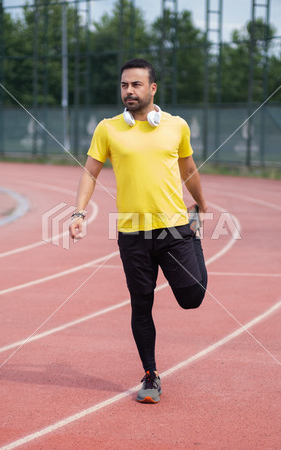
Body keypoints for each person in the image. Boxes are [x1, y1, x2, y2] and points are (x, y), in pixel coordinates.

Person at [69, 58, 208, 404]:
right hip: (132, 234)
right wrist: (79, 212)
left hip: (174, 228)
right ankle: (150, 375)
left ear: (152, 88)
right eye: (124, 86)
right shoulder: (108, 129)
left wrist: (201, 206)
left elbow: (189, 168)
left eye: (136, 85)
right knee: (140, 305)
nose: (129, 91)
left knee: (192, 298)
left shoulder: (176, 126)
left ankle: (197, 241)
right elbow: (90, 172)